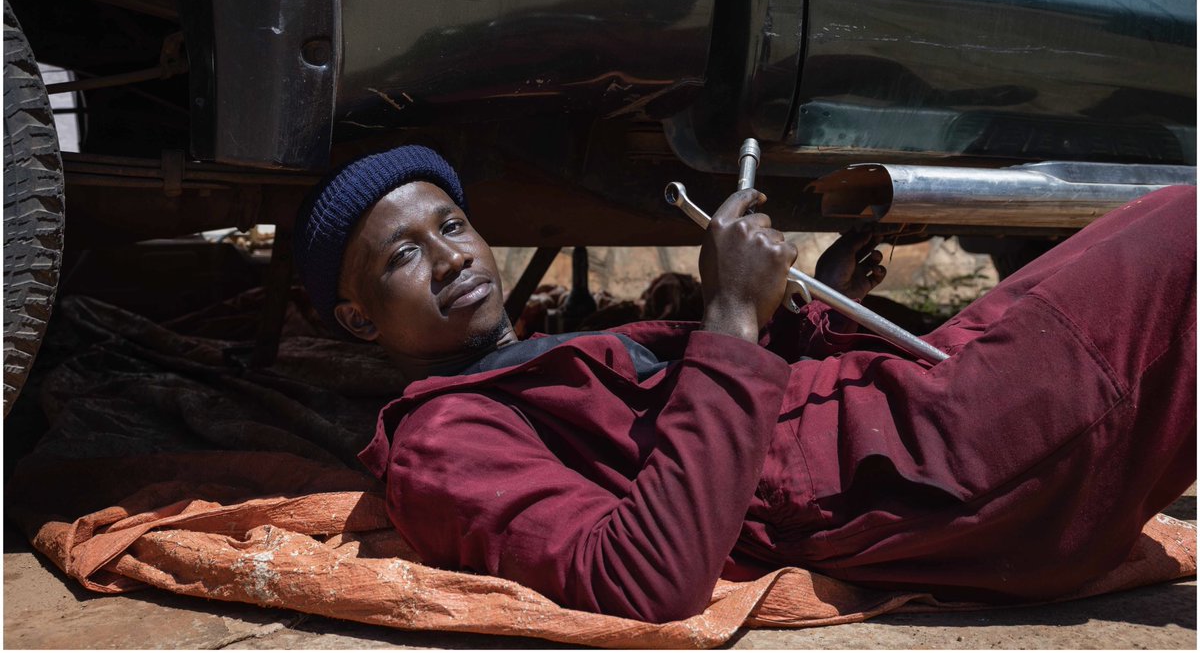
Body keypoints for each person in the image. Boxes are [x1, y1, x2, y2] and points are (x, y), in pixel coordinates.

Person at [294, 144, 1196, 624]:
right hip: (919, 469)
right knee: (1185, 232)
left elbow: (723, 403)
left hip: (905, 407)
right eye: (404, 255)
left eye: (451, 224)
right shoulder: (441, 442)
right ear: (358, 321)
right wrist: (728, 313)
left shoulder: (530, 355)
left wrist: (797, 311)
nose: (451, 256)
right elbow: (641, 580)